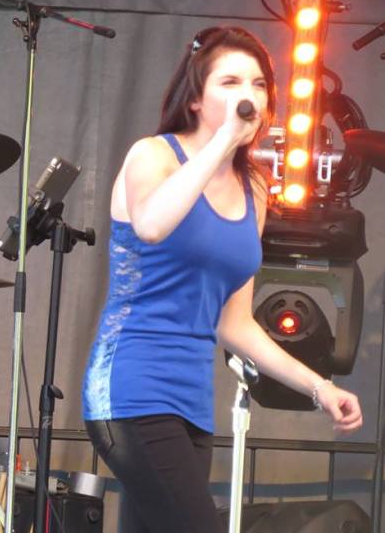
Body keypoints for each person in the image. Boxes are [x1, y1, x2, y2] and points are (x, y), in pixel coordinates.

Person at [81, 26, 363, 533]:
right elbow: (151, 225)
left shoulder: (253, 188)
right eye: (230, 82)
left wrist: (319, 387)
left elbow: (235, 324)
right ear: (195, 99)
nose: (247, 95)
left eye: (257, 85)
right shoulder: (154, 155)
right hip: (129, 389)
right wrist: (223, 142)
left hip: (191, 404)